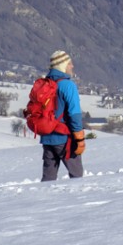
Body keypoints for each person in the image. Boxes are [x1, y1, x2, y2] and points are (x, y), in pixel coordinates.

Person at [40, 49, 85, 180]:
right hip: (65, 138)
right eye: (70, 63)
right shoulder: (68, 85)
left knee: (48, 178)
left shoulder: (44, 84)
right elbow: (75, 114)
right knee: (77, 176)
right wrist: (79, 137)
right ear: (63, 66)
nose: (72, 66)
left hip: (47, 137)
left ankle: (45, 200)